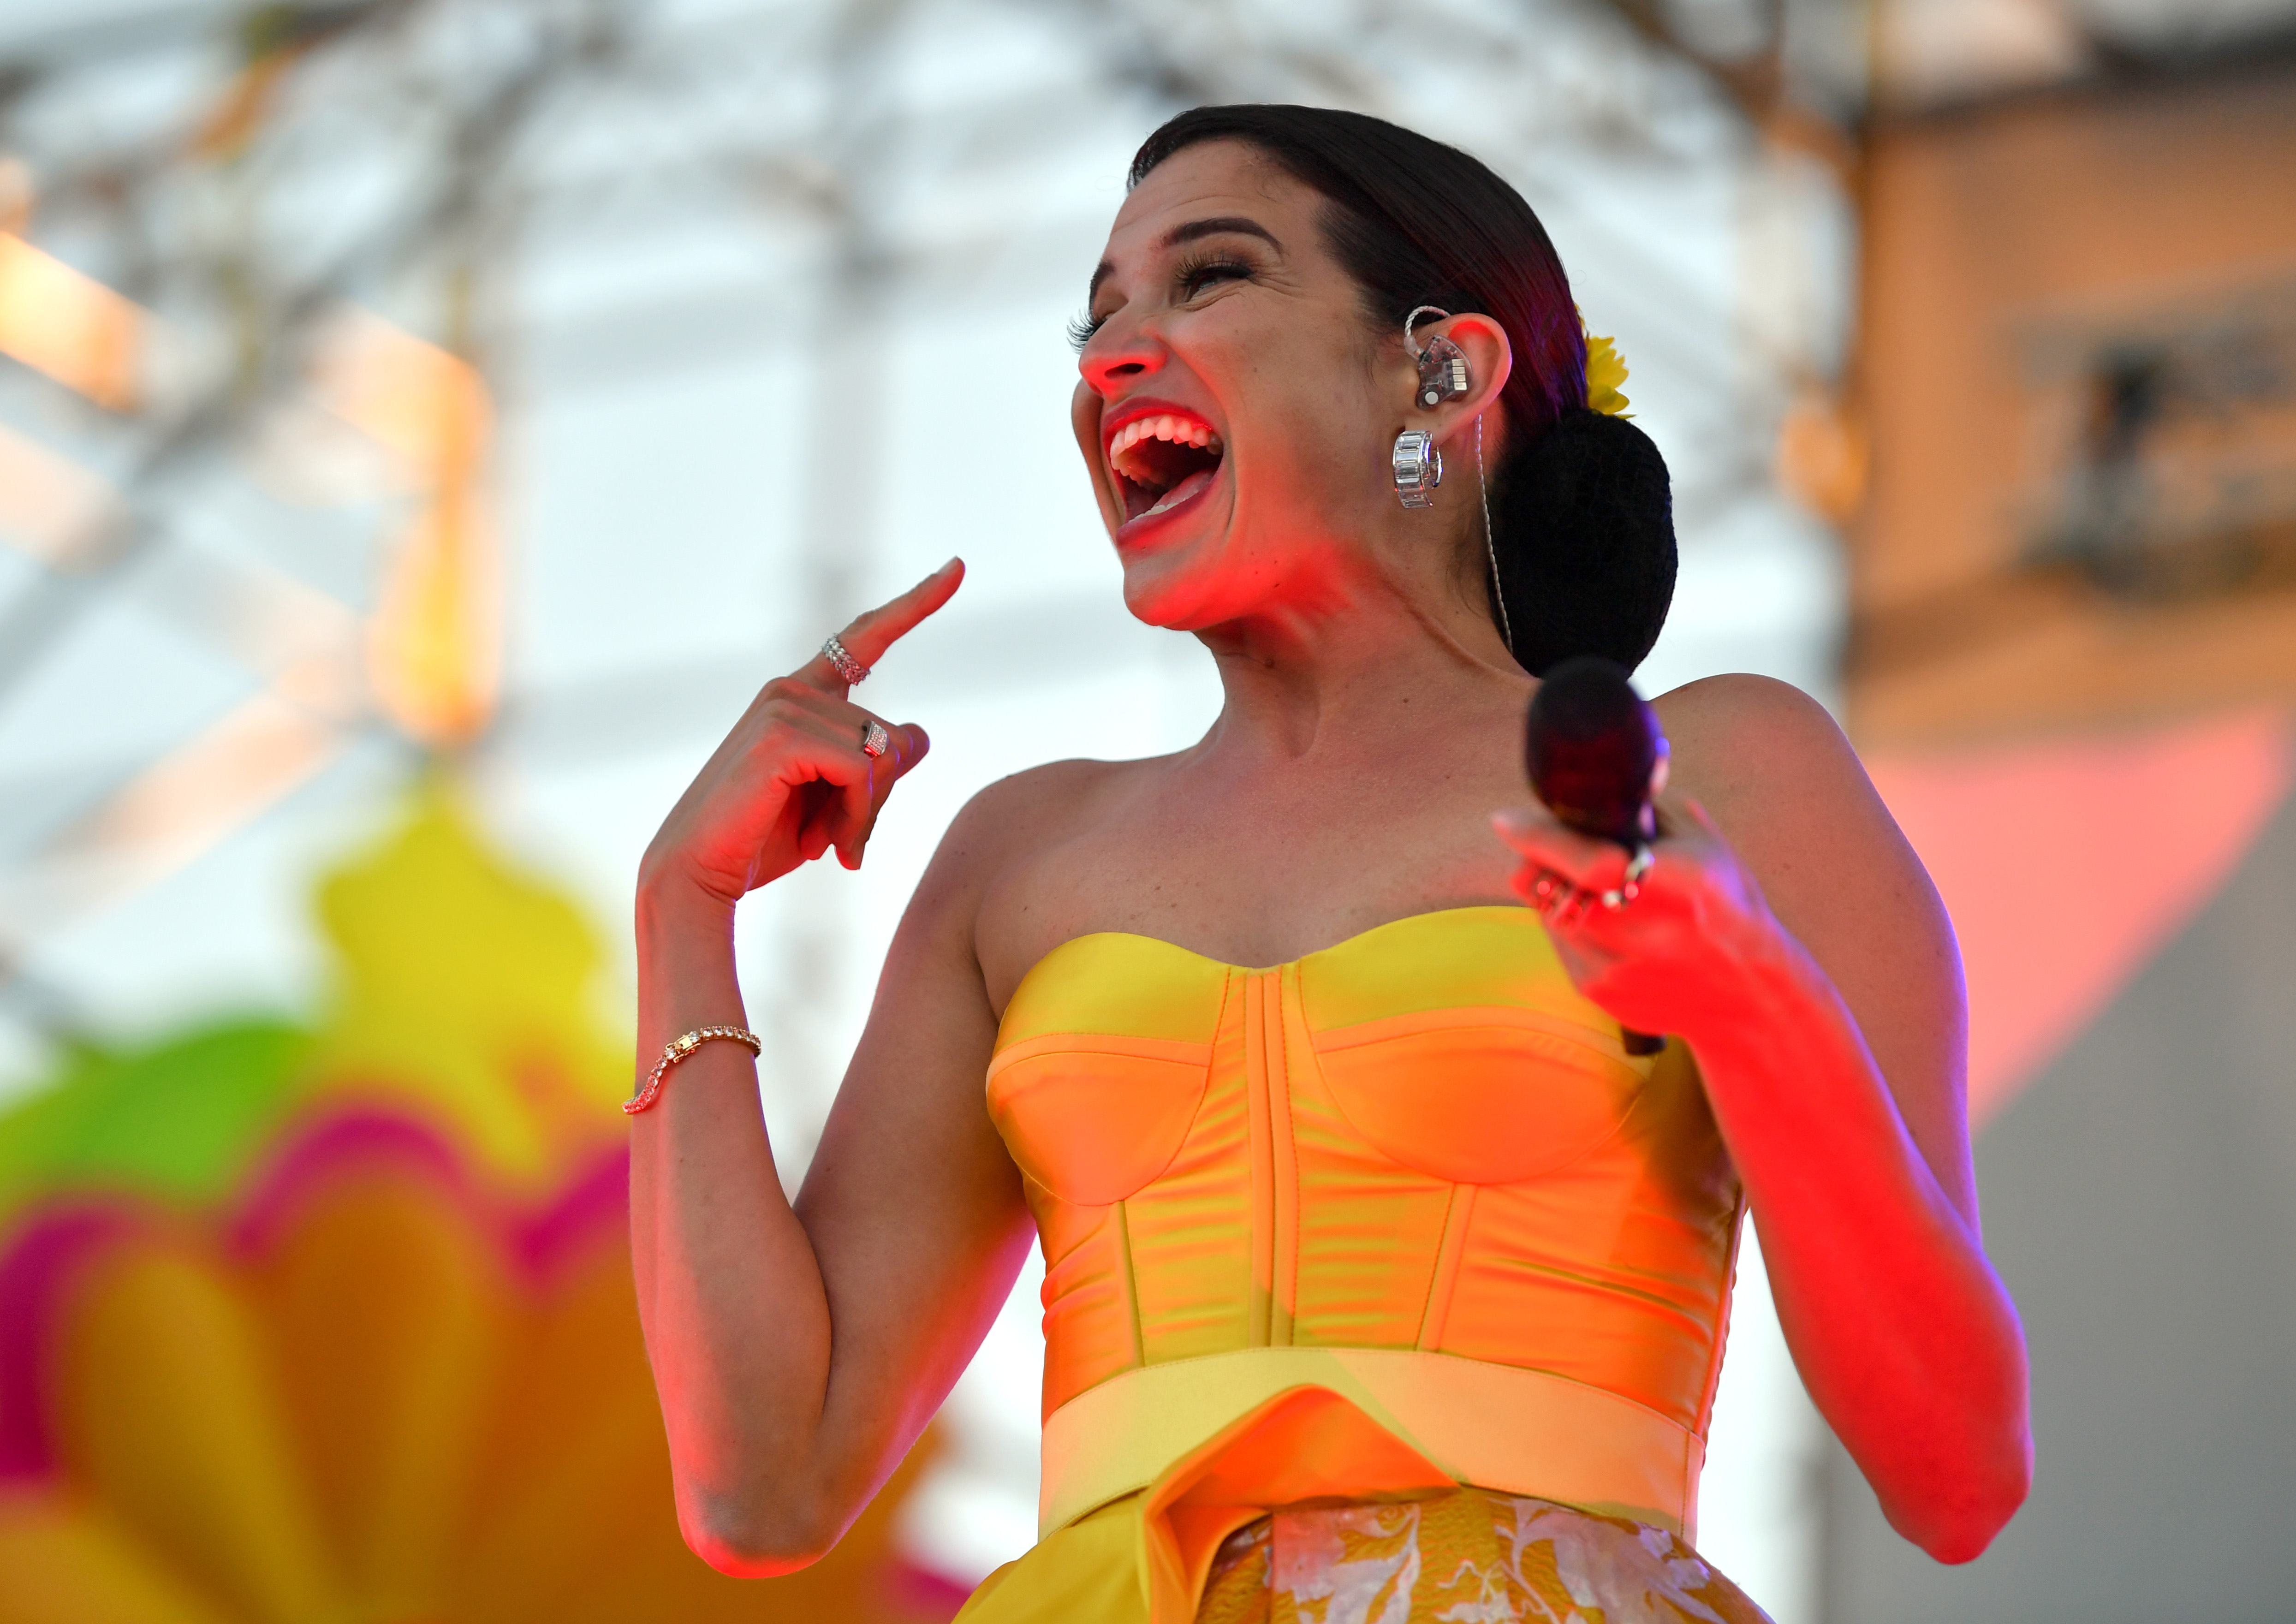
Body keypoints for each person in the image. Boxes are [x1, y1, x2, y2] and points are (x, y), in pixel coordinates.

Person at [628, 104, 2031, 1624]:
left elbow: (1954, 1473)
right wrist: (682, 906)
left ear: (1442, 366)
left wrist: (1749, 996)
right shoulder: (1018, 851)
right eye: (1096, 317)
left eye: (1209, 278)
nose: (1112, 358)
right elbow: (761, 1485)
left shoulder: (1717, 773)